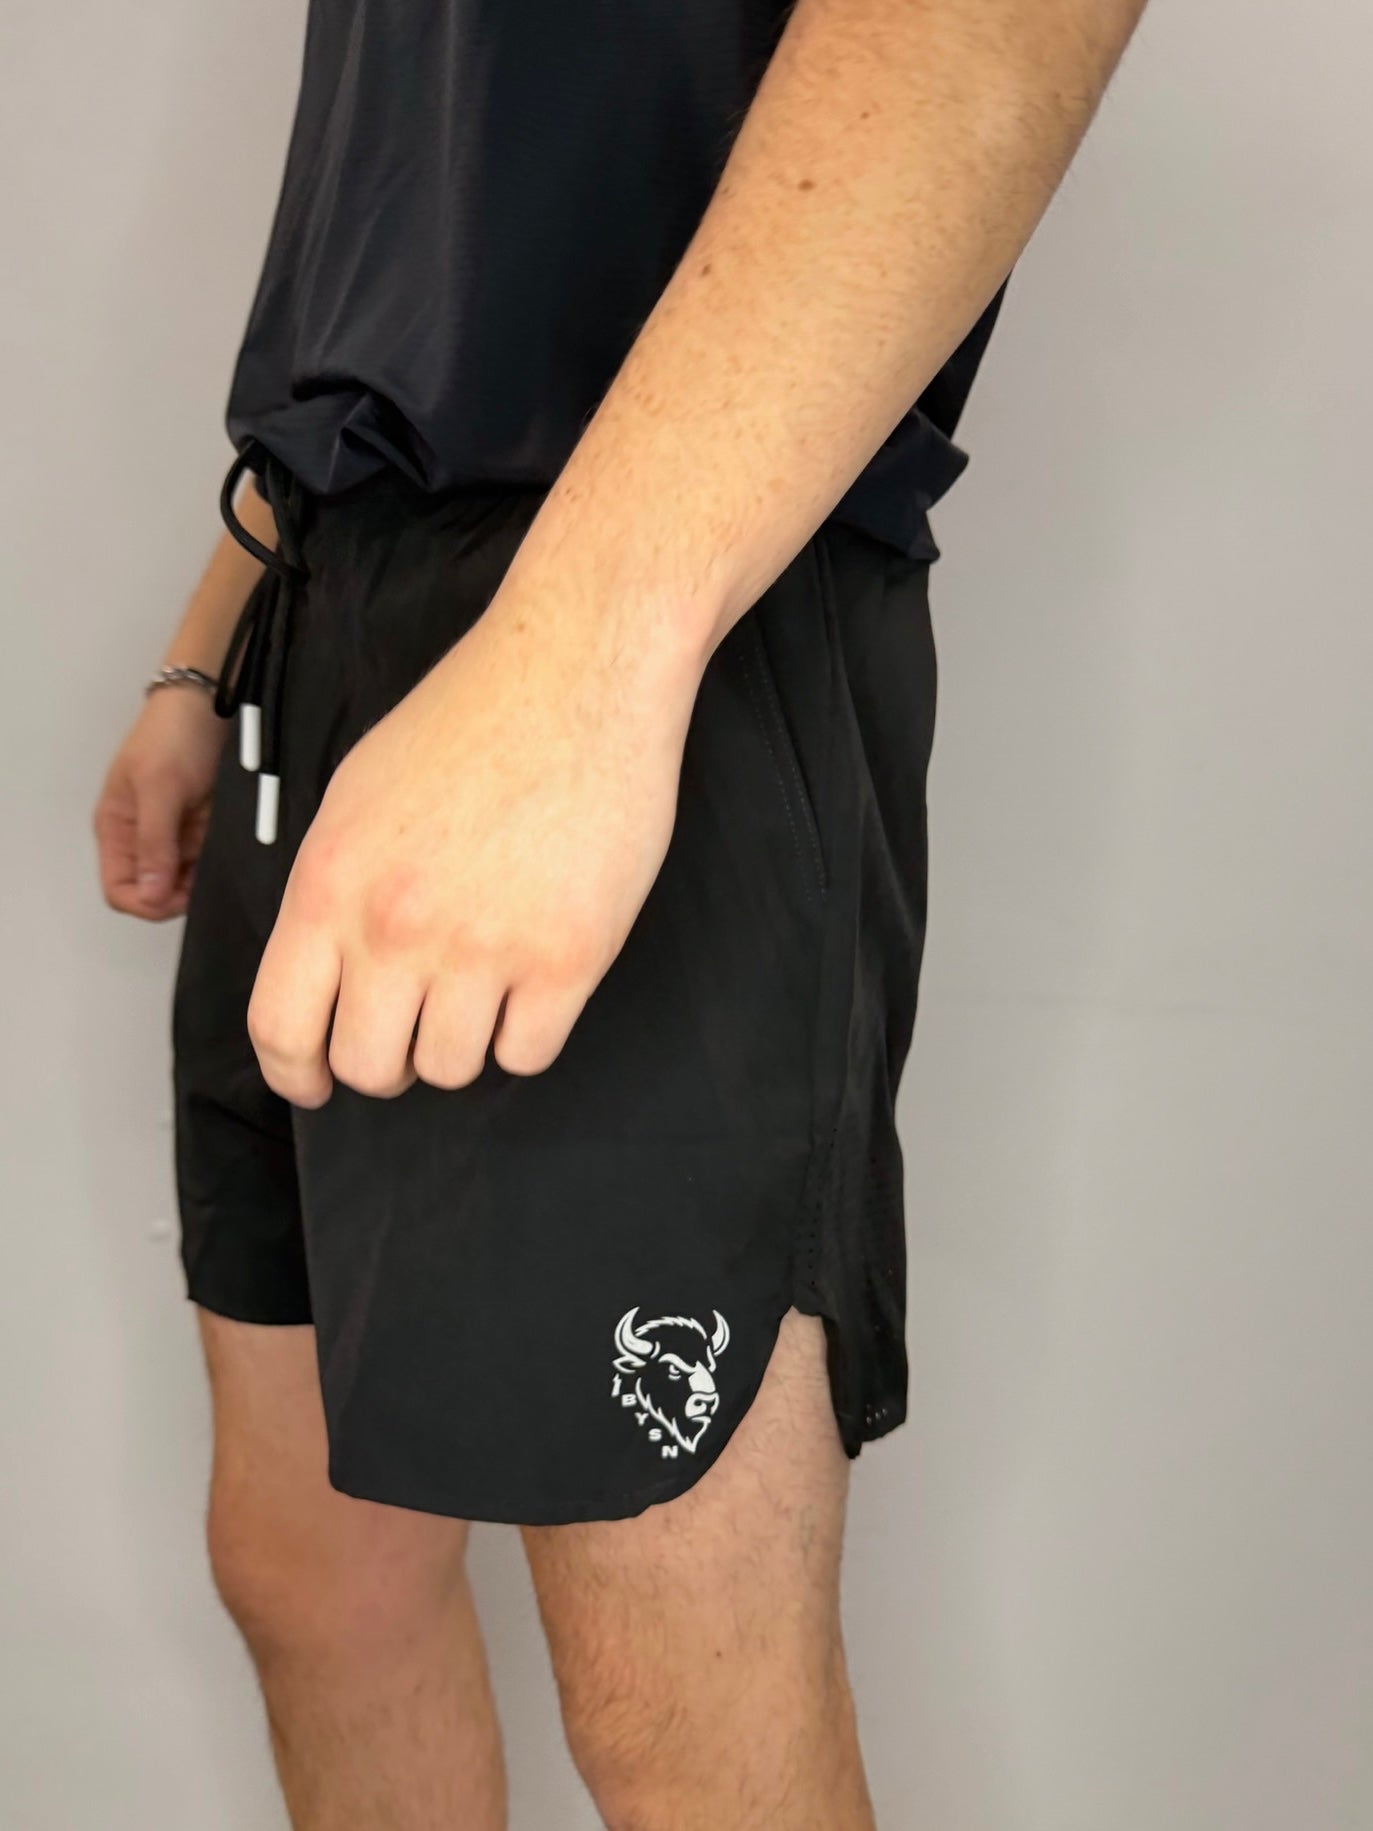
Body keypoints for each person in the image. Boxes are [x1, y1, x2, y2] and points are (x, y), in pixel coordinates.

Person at [94, 0, 1145, 1823]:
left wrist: (592, 655)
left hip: (634, 595)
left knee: (677, 1719)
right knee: (313, 1572)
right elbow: (413, 213)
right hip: (329, 603)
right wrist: (218, 635)